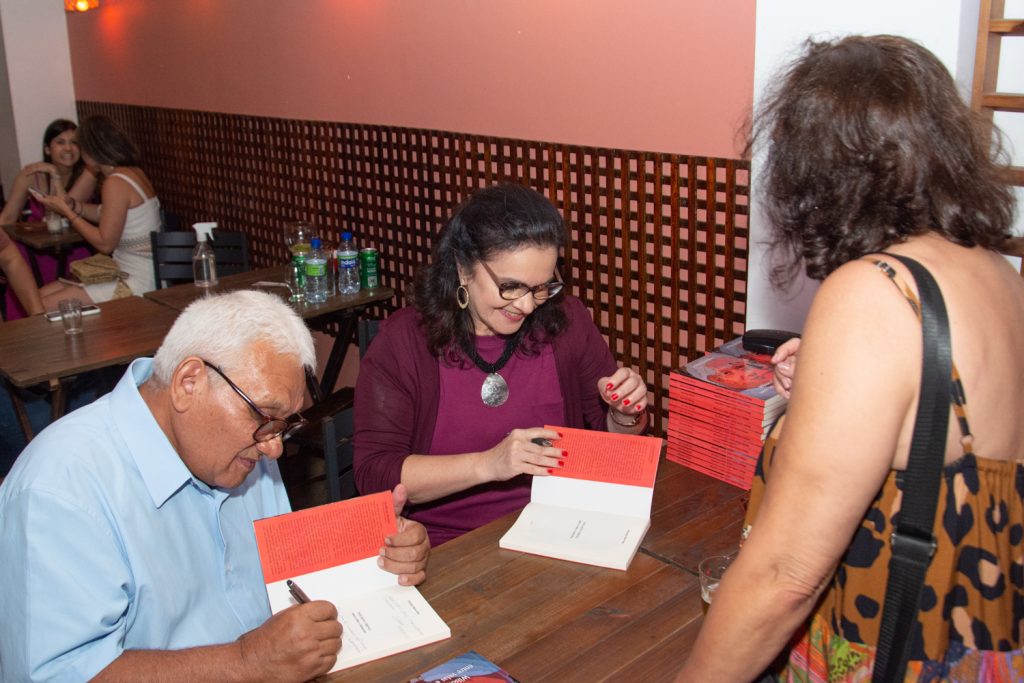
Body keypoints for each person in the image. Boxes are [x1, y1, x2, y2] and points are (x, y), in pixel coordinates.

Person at [676, 35, 1023, 681]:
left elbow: (787, 575)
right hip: (974, 635)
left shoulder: (875, 292)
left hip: (883, 644)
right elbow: (944, 438)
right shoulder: (996, 270)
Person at [0, 290, 431, 681]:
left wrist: (378, 550)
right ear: (189, 382)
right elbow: (57, 675)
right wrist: (245, 663)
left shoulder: (242, 447)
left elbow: (282, 572)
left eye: (285, 424)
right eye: (265, 417)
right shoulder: (60, 489)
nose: (275, 448)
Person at [354, 183, 650, 546]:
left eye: (542, 287)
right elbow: (374, 474)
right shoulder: (404, 342)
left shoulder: (566, 322)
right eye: (511, 287)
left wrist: (623, 415)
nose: (527, 306)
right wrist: (488, 465)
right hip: (445, 546)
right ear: (463, 268)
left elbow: (611, 448)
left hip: (559, 527)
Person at [35, 114, 160, 306]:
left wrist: (68, 213)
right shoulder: (131, 171)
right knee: (38, 296)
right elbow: (107, 214)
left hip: (137, 280)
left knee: (44, 305)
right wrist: (74, 206)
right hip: (130, 270)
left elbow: (104, 244)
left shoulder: (115, 182)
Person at [0, 118, 97, 319]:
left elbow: (64, 207)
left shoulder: (88, 174)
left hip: (75, 247)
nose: (68, 148)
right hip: (36, 249)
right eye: (60, 142)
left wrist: (55, 175)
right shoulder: (30, 175)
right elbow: (7, 217)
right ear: (47, 149)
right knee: (17, 255)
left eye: (74, 142)